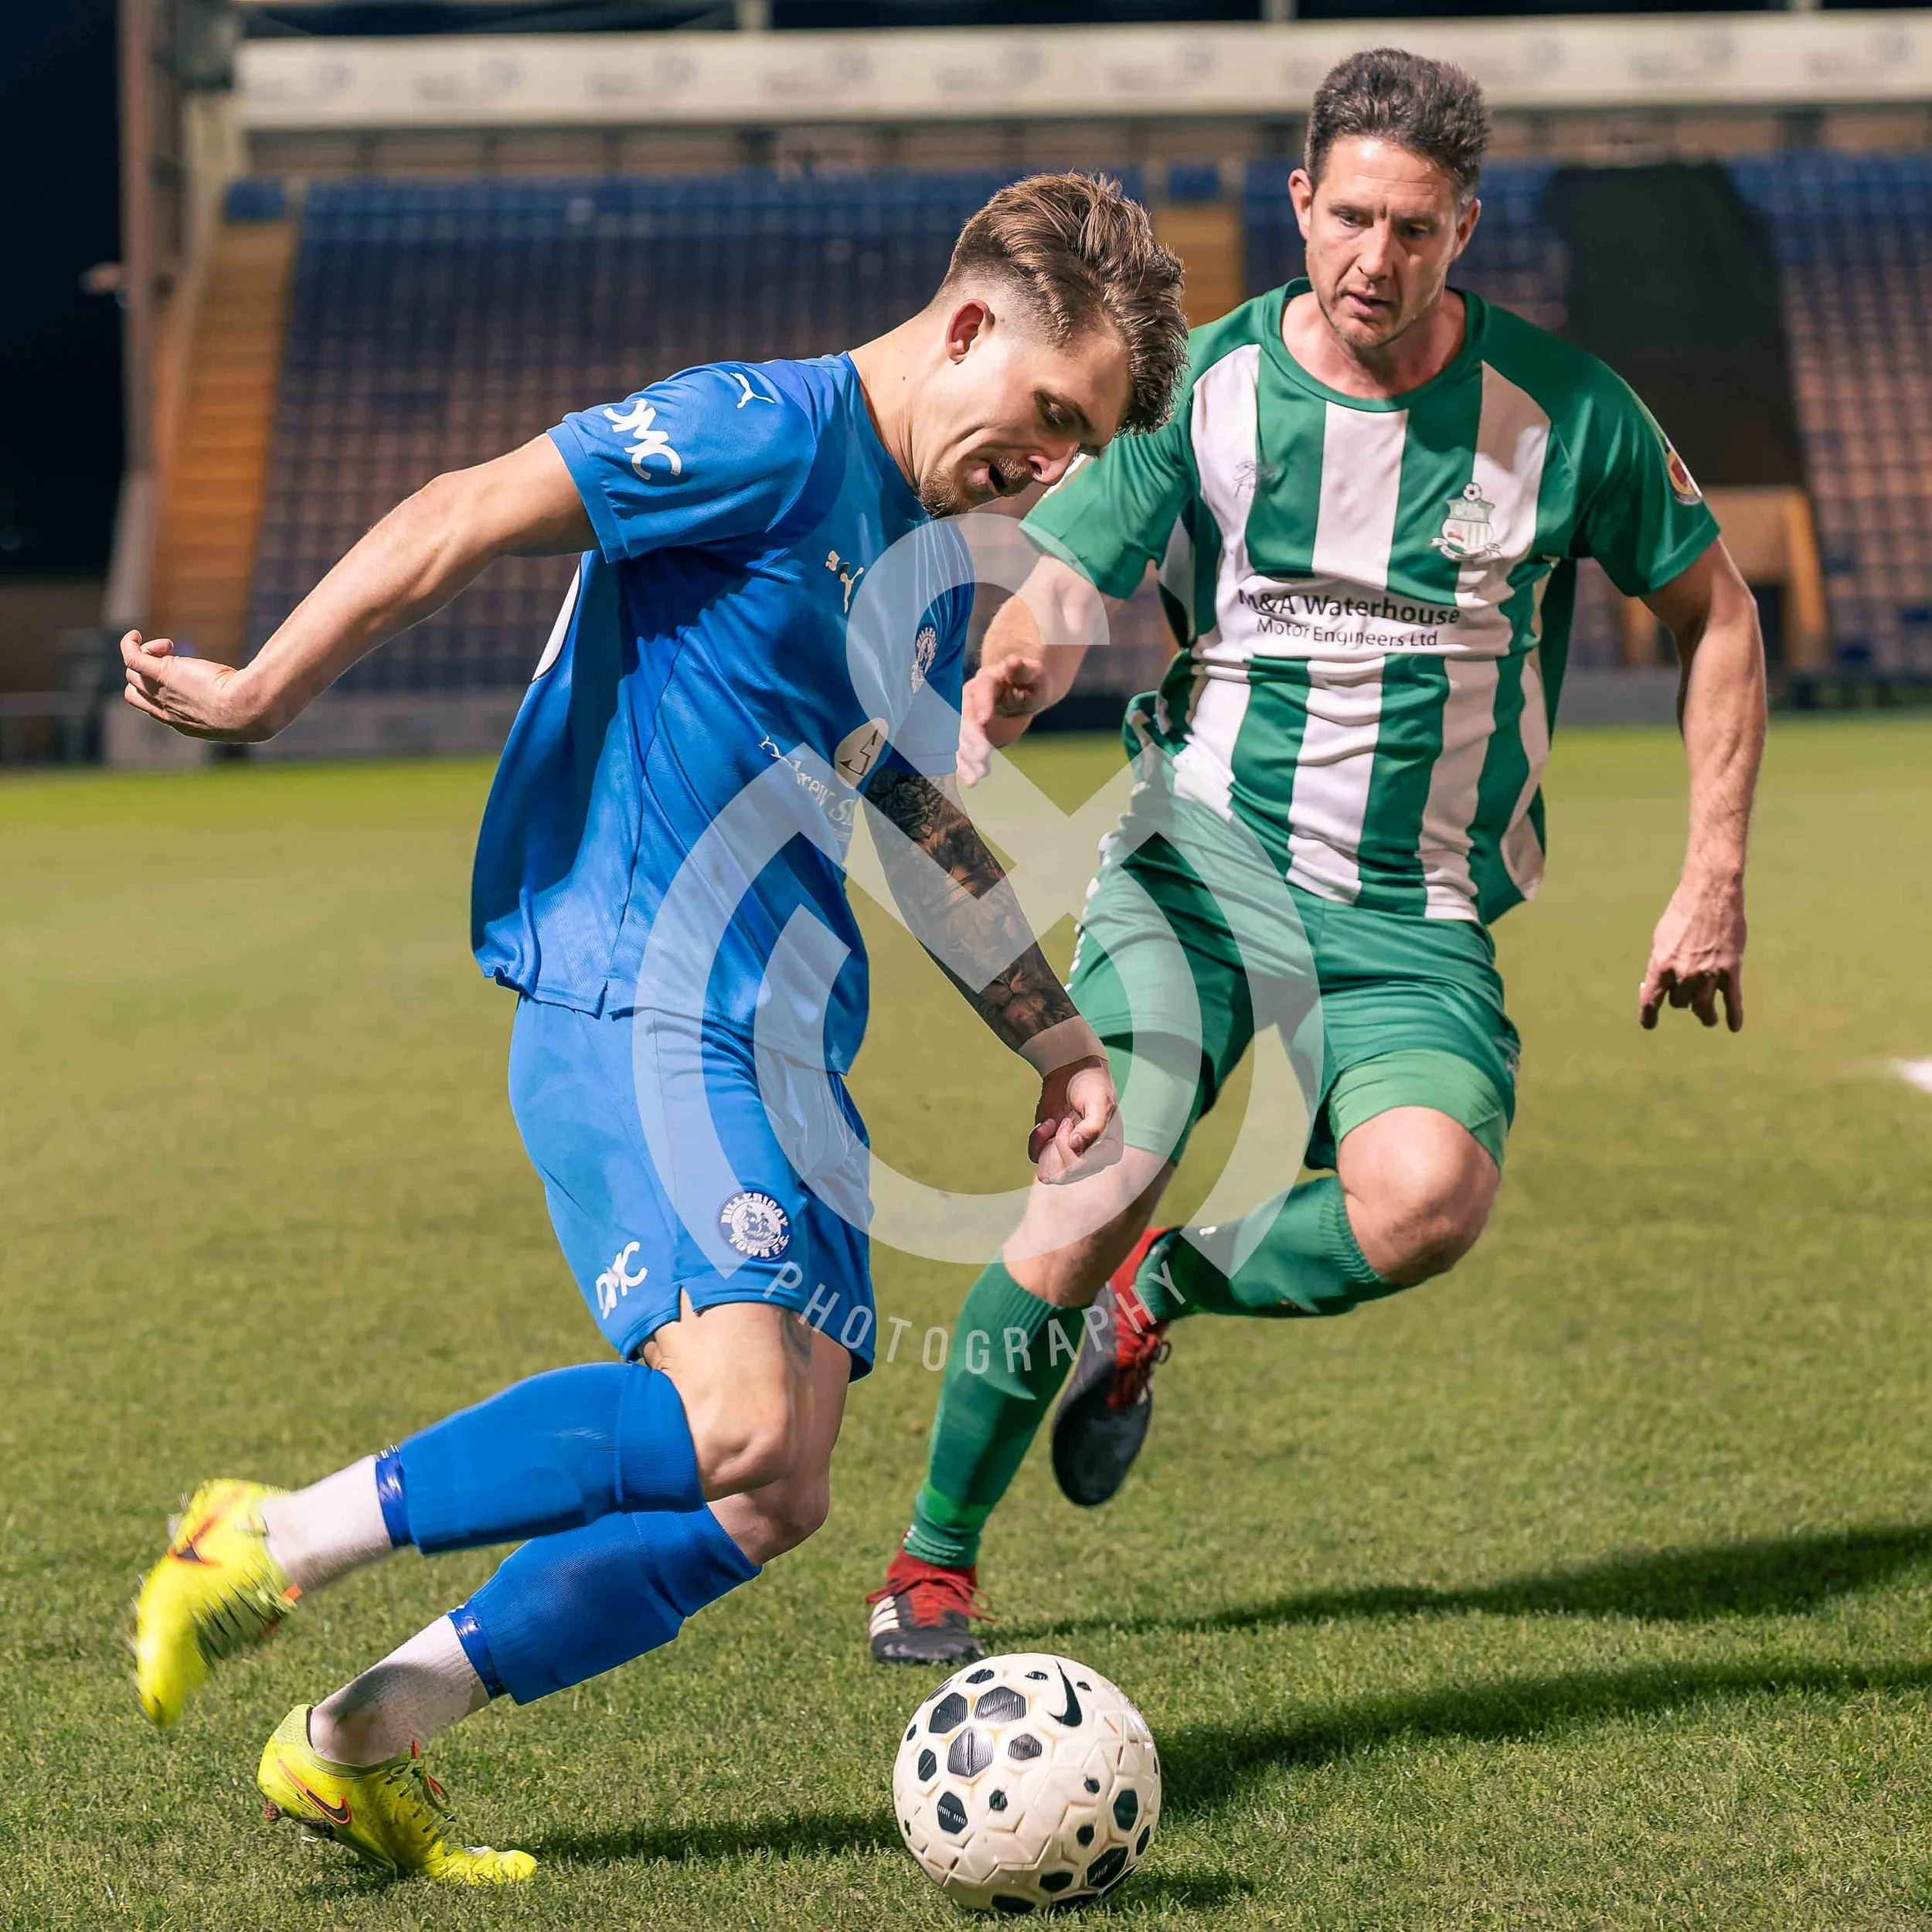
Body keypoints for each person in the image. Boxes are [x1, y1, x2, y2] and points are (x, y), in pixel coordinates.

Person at [124, 172, 1188, 1882]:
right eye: (1051, 418)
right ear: (972, 322)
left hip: (784, 1032)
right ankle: (269, 1533)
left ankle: (357, 1736)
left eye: (1083, 447)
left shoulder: (922, 561)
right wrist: (259, 689)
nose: (1051, 467)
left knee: (772, 1493)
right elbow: (469, 506)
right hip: (637, 984)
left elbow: (904, 803)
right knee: (740, 1421)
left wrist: (1056, 1041)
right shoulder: (759, 428)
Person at [866, 50, 1766, 1668]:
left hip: (1408, 916)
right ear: (1298, 203)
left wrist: (1709, 871)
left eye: (1411, 229)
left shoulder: (1561, 415)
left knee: (1425, 1196)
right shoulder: (1195, 385)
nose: (1372, 259)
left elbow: (1716, 611)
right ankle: (931, 1559)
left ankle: (1161, 1300)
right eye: (1346, 215)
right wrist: (1014, 659)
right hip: (1189, 873)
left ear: (1463, 228)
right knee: (1090, 1181)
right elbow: (1067, 581)